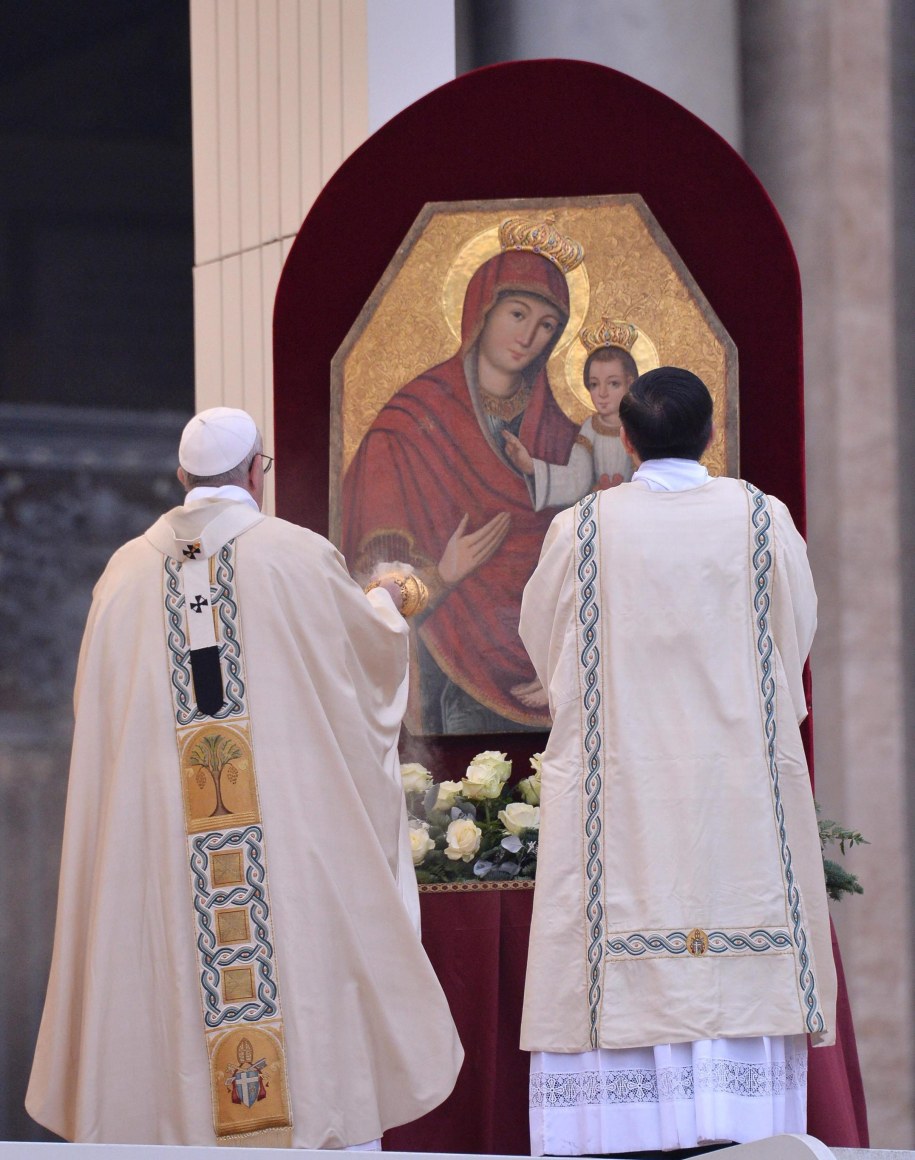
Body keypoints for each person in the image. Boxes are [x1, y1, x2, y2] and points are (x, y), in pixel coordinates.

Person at [26, 407, 463, 1149]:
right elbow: (361, 663)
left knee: (169, 975)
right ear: (258, 470)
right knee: (295, 966)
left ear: (179, 479)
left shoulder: (125, 574)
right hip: (280, 849)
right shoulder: (295, 555)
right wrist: (390, 597)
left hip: (161, 849)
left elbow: (97, 717)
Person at [519, 368, 837, 1156]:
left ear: (623, 437)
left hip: (622, 792)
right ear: (708, 433)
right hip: (733, 795)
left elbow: (541, 639)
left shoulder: (582, 529)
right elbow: (794, 636)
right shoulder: (761, 520)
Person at [342, 218, 582, 734]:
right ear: (480, 311)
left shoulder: (564, 439)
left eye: (545, 325)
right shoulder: (407, 425)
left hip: (550, 667)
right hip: (448, 662)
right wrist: (443, 574)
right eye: (517, 313)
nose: (528, 336)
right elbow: (368, 583)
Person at [504, 337, 636, 509]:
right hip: (596, 514)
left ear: (630, 383)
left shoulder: (640, 426)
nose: (602, 393)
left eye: (613, 383)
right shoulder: (591, 428)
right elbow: (577, 479)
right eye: (594, 384)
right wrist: (532, 467)